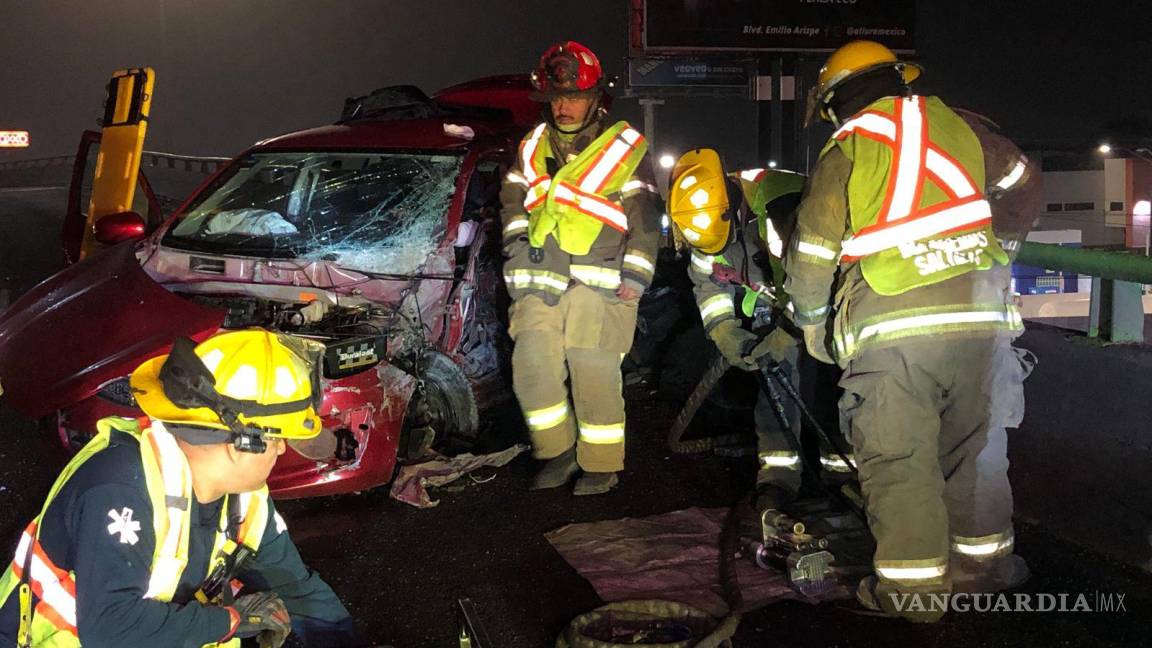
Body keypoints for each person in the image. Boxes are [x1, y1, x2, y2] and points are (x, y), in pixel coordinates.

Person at [784, 40, 1031, 621]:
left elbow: (813, 255)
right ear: (899, 79)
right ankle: (985, 570)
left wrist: (814, 326)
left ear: (836, 101)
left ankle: (915, 597)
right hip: (983, 323)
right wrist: (1001, 252)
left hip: (893, 330)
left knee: (901, 462)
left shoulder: (847, 149)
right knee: (979, 452)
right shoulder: (963, 129)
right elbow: (1022, 185)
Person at [0, 330, 362, 646]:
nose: (283, 450)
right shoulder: (120, 486)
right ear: (241, 444)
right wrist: (233, 621)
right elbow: (111, 629)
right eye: (277, 438)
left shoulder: (247, 502)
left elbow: (294, 586)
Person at [500, 41, 660, 495]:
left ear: (596, 100)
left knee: (593, 371)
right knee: (531, 367)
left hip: (603, 278)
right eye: (556, 98)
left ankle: (601, 462)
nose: (564, 106)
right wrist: (516, 251)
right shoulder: (530, 148)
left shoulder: (622, 148)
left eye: (574, 97)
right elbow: (513, 207)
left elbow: (645, 216)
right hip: (540, 277)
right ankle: (557, 452)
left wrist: (636, 274)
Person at [666, 149, 854, 511]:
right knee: (774, 389)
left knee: (828, 390)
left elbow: (810, 279)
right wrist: (724, 331)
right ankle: (778, 480)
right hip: (777, 301)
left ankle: (844, 476)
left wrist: (785, 336)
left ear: (730, 211)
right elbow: (707, 282)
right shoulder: (701, 219)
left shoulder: (779, 203)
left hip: (825, 301)